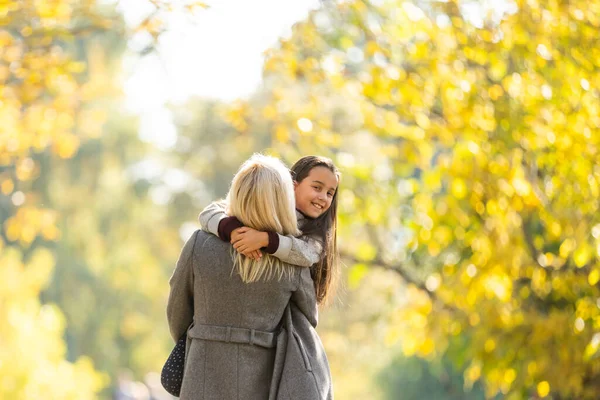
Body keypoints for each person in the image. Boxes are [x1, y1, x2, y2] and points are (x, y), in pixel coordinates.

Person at [167, 154, 330, 399]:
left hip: (201, 370)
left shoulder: (199, 243)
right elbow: (307, 318)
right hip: (262, 378)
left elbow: (177, 309)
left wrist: (199, 338)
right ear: (283, 198)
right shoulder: (293, 259)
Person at [199, 155, 340, 305]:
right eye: (317, 187)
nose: (323, 197)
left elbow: (308, 253)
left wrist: (266, 239)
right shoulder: (268, 208)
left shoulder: (315, 235)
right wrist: (233, 230)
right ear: (293, 186)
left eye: (329, 193)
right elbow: (208, 213)